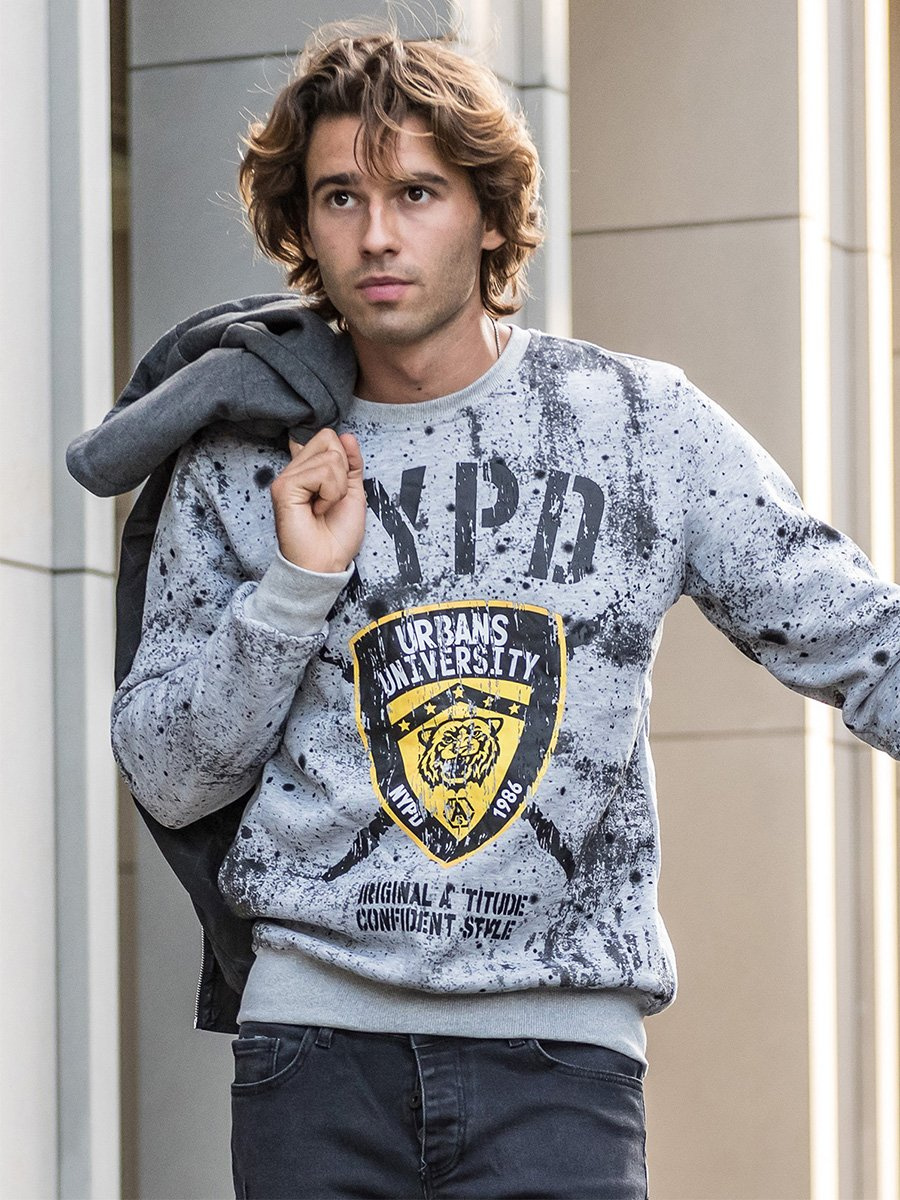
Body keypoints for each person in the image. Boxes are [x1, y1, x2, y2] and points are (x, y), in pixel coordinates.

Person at [95, 25, 900, 1200]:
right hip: (313, 1057)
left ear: (487, 212)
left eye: (416, 193)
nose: (377, 234)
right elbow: (168, 774)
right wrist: (294, 590)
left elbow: (866, 641)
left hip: (559, 1064)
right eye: (340, 196)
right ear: (302, 222)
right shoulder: (242, 455)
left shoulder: (639, 426)